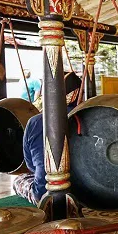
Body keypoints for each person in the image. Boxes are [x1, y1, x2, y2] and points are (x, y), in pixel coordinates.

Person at [13, 72, 82, 205]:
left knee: (20, 180)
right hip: (86, 193)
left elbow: (30, 165)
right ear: (78, 94)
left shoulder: (34, 121)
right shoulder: (88, 117)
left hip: (45, 195)